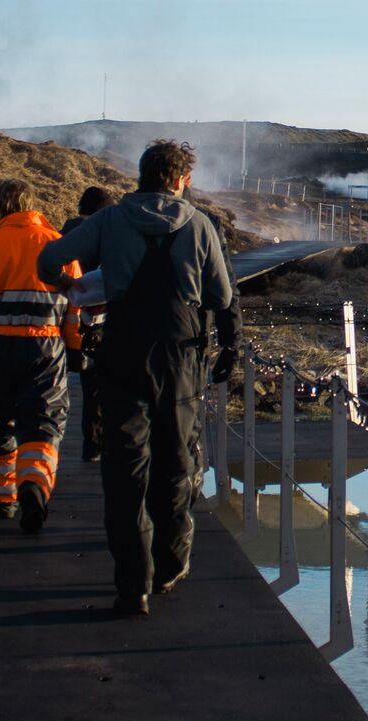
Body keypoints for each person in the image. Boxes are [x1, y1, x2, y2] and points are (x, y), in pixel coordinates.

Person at [42, 139, 239, 617]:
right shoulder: (200, 224)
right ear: (180, 179)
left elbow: (48, 261)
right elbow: (222, 295)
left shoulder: (108, 220)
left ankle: (134, 584)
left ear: (143, 174)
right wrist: (228, 350)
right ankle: (171, 565)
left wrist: (72, 286)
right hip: (181, 355)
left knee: (125, 466)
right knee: (174, 460)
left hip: (123, 351)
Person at [0, 179, 81, 534]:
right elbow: (76, 305)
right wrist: (77, 348)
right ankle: (34, 485)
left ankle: (1, 499)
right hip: (46, 348)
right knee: (44, 422)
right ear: (33, 206)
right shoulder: (58, 245)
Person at [62, 186, 117, 463]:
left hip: (59, 324)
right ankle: (95, 444)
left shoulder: (62, 234)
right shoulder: (102, 235)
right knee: (97, 386)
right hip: (98, 321)